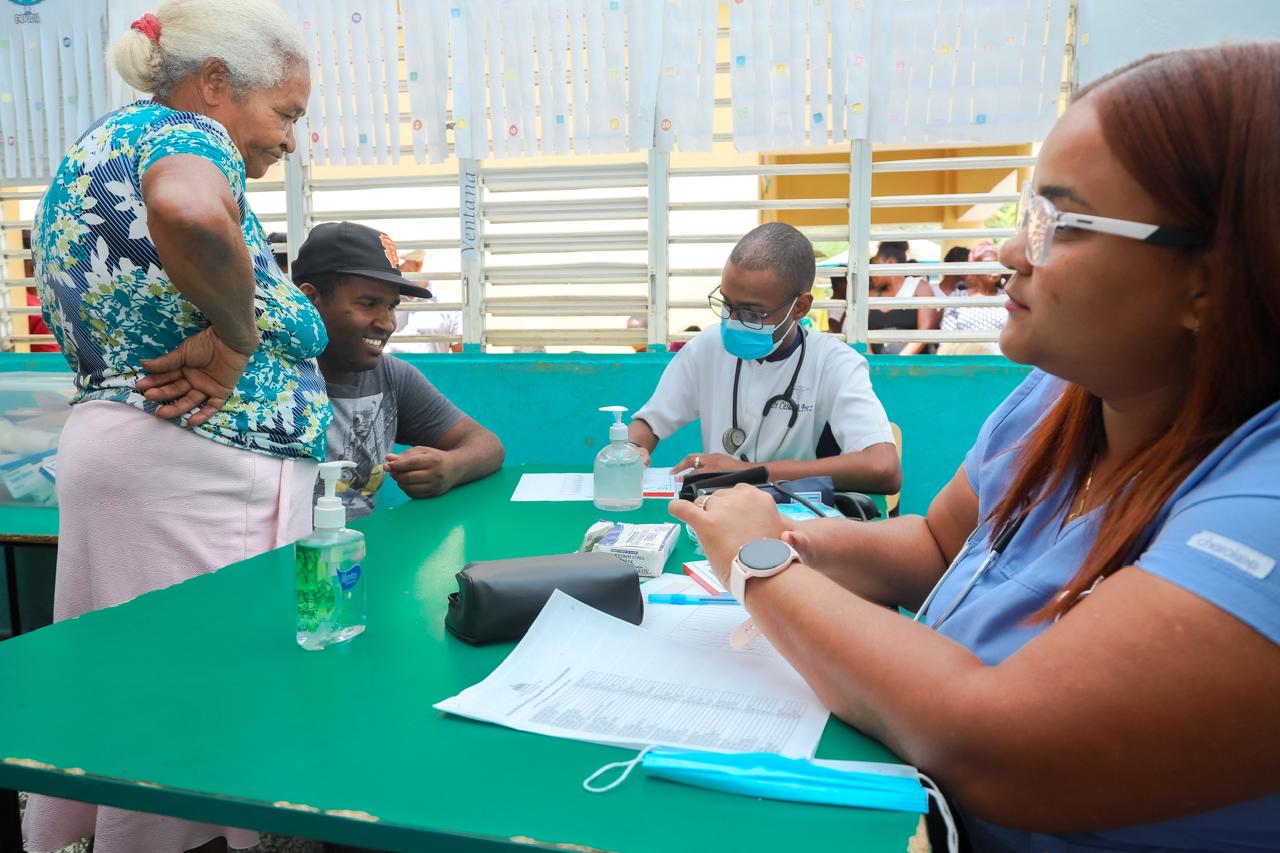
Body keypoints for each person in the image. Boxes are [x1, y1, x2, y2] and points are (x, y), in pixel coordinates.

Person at [671, 43, 1280, 852]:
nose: (1009, 251)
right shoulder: (1059, 397)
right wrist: (796, 541)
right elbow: (938, 544)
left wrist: (762, 567)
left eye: (1062, 223)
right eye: (1030, 214)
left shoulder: (1263, 501)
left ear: (1210, 279)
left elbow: (998, 746)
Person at [25, 2, 327, 852]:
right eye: (286, 114)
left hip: (149, 452)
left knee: (143, 695)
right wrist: (238, 338)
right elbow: (190, 212)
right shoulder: (188, 137)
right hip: (193, 463)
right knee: (191, 719)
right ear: (217, 82)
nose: (289, 139)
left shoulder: (110, 140)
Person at [630, 223, 900, 494]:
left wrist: (750, 472)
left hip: (799, 515)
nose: (733, 320)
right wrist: (631, 448)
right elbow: (650, 423)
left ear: (800, 307)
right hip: (719, 508)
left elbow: (883, 468)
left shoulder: (834, 363)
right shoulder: (707, 347)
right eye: (726, 304)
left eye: (752, 313)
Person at [293, 222, 503, 519]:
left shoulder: (391, 377)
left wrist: (450, 466)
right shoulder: (266, 378)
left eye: (391, 306)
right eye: (368, 303)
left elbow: (487, 445)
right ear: (311, 299)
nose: (387, 323)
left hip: (357, 547)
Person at [937, 240, 1008, 355]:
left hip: (1000, 361)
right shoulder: (957, 298)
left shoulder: (1007, 298)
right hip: (965, 360)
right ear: (976, 266)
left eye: (997, 262)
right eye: (988, 263)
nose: (995, 268)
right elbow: (946, 340)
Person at [387, 249, 463, 354]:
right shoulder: (382, 300)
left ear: (417, 265)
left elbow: (460, 352)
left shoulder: (448, 303)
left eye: (397, 266)